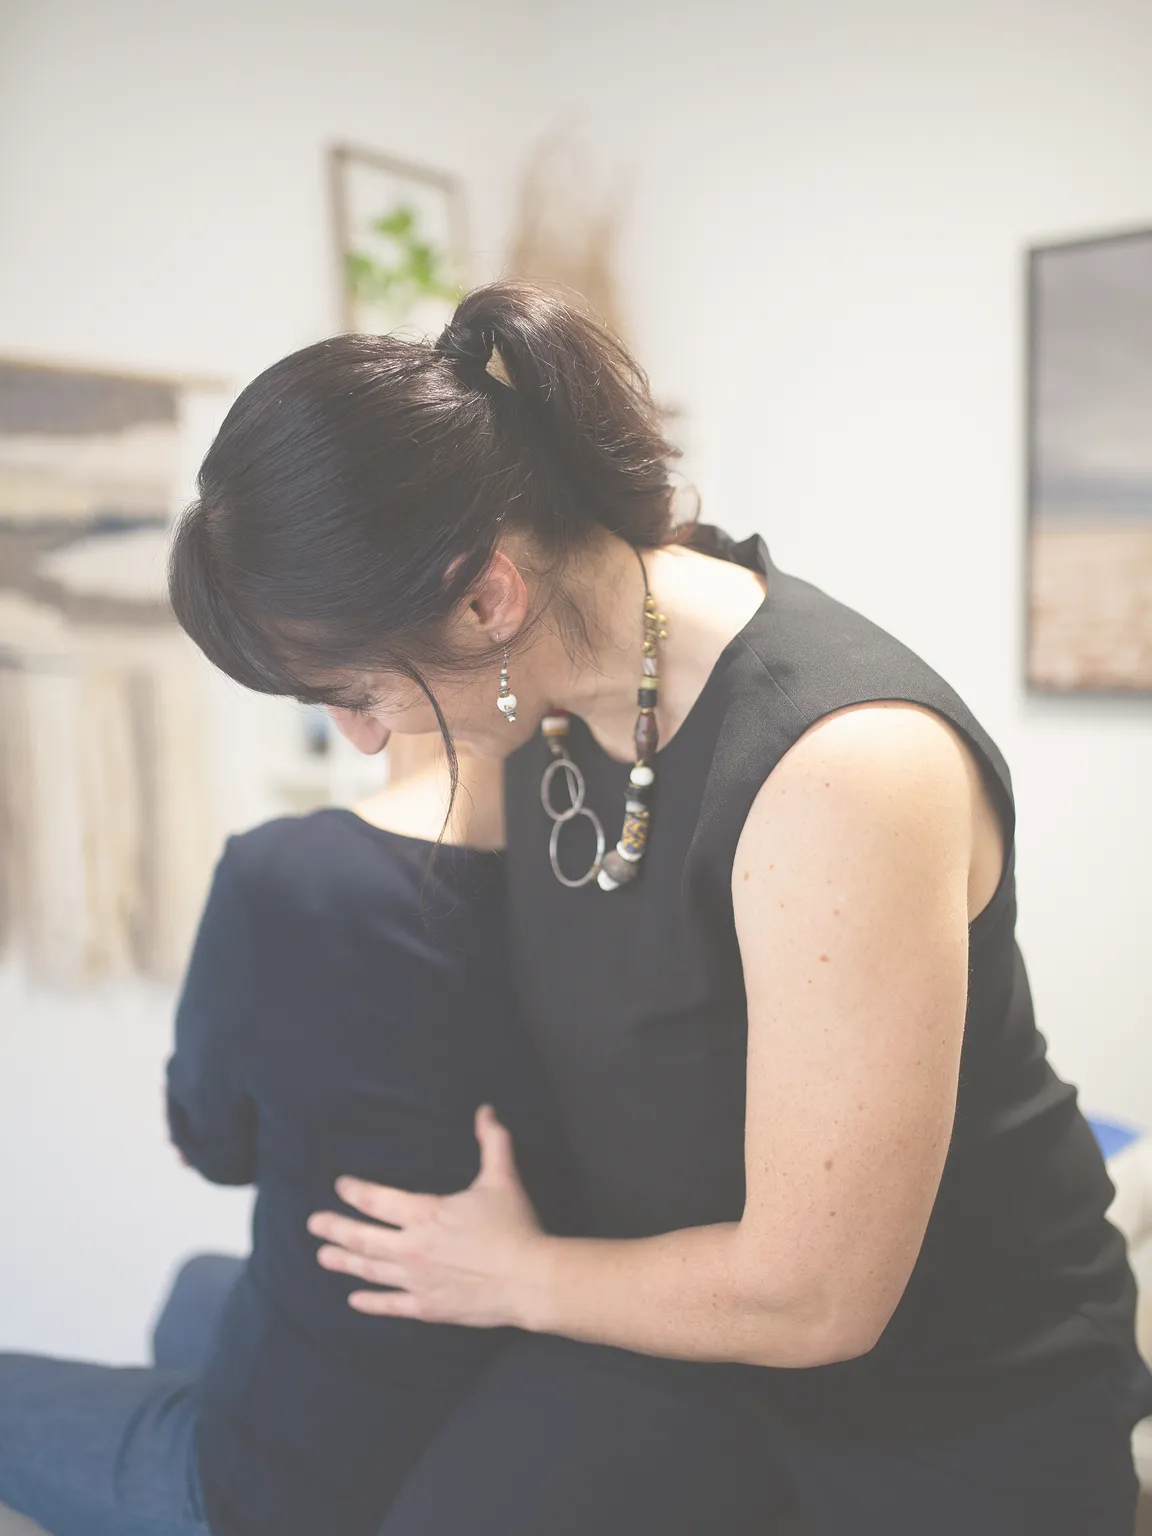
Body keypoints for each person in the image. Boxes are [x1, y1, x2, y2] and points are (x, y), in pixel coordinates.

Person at [160, 279, 1152, 1536]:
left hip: (948, 1396)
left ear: (485, 600)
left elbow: (818, 1299)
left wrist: (515, 1276)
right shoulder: (549, 680)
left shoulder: (842, 765)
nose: (361, 739)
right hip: (674, 1337)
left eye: (357, 690)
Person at [0, 751, 576, 1536]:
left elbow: (212, 1143)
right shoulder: (592, 858)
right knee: (192, 1293)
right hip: (513, 1389)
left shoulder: (286, 874)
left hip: (314, 1473)